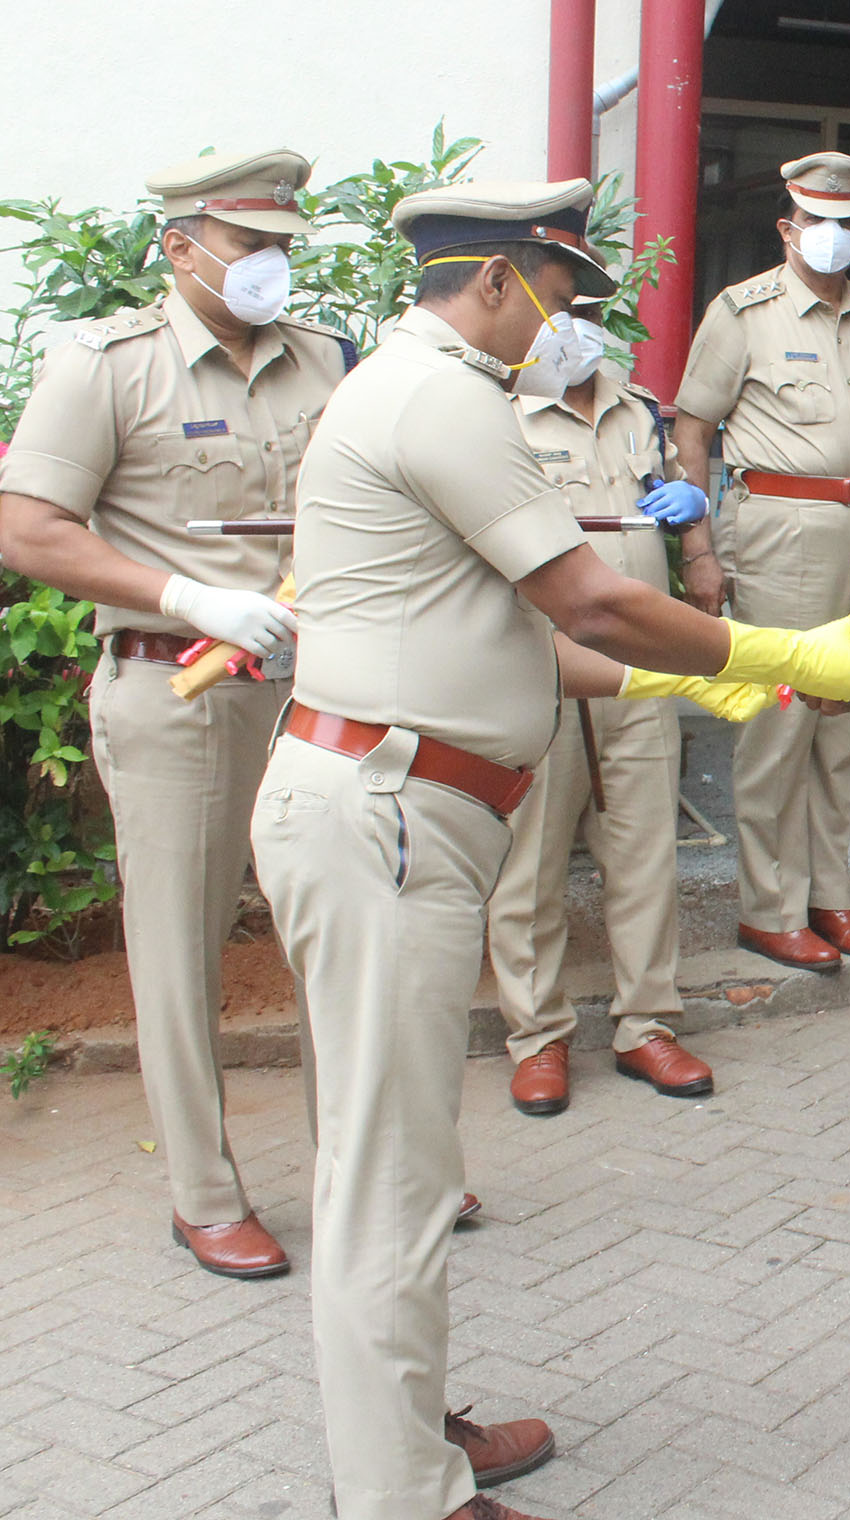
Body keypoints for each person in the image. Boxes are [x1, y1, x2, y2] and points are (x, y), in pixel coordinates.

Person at [248, 177, 850, 1520]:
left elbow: (534, 648)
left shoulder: (415, 389)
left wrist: (736, 688)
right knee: (387, 1175)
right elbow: (594, 599)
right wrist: (791, 650)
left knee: (411, 1159)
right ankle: (405, 1498)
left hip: (404, 804)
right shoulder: (440, 398)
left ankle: (415, 1437)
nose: (564, 330)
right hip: (390, 812)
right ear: (492, 280)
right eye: (555, 298)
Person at [0, 149, 350, 1282]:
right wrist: (188, 594)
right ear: (182, 246)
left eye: (287, 246)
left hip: (312, 684)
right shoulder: (107, 365)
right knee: (180, 950)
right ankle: (205, 1191)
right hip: (176, 690)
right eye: (254, 246)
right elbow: (30, 528)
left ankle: (361, 1164)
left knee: (336, 935)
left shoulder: (327, 362)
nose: (274, 267)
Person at [672, 150, 850, 973]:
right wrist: (700, 548)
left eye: (846, 223)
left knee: (847, 723)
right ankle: (769, 908)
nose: (833, 236)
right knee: (780, 722)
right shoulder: (742, 313)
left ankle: (831, 896)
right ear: (787, 227)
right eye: (817, 222)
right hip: (780, 531)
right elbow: (691, 430)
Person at [489, 298, 714, 1118]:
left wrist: (691, 502)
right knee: (531, 859)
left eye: (588, 311)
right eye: (561, 311)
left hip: (641, 664)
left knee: (647, 848)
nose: (575, 327)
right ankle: (537, 1035)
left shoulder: (632, 405)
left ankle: (646, 1023)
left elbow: (663, 488)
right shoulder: (496, 413)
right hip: (543, 666)